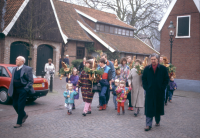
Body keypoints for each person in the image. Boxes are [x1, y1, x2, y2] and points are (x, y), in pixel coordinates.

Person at [142, 53, 169, 131]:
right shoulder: (147, 69)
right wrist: (146, 87)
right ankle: (148, 124)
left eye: (154, 59)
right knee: (149, 107)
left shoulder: (163, 69)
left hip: (159, 92)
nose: (153, 61)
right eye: (152, 59)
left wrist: (162, 88)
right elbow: (144, 79)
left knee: (158, 107)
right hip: (150, 92)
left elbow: (166, 80)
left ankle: (157, 120)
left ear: (157, 59)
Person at [8, 56, 35, 128]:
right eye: (16, 59)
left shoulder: (27, 69)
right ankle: (23, 115)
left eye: (17, 59)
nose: (16, 60)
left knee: (20, 106)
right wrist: (10, 90)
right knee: (14, 105)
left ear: (22, 62)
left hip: (23, 90)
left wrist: (25, 89)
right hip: (15, 90)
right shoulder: (14, 69)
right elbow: (12, 81)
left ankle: (19, 122)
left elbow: (31, 81)